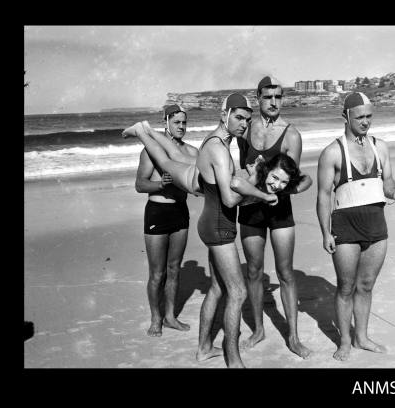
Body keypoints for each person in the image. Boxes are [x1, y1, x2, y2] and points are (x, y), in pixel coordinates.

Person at [124, 94, 281, 368]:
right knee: (238, 292)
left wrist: (252, 180)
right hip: (218, 225)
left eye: (247, 118)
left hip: (210, 214)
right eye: (239, 117)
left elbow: (228, 186)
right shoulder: (219, 149)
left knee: (218, 288)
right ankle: (233, 359)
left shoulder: (216, 142)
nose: (244, 124)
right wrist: (262, 196)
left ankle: (203, 348)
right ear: (225, 115)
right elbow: (231, 200)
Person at [316, 92, 395, 361]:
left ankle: (362, 337)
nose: (365, 121)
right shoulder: (332, 152)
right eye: (360, 117)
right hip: (345, 225)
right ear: (345, 117)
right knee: (346, 287)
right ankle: (345, 341)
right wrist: (326, 232)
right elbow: (323, 195)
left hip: (376, 224)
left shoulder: (380, 147)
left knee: (366, 284)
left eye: (369, 116)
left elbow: (388, 182)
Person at [235, 76, 313, 359]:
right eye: (268, 97)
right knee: (254, 271)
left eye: (278, 97)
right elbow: (241, 172)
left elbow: (297, 176)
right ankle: (258, 329)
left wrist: (280, 188)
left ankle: (292, 336)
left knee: (286, 273)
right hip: (251, 209)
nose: (273, 102)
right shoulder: (246, 130)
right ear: (258, 98)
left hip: (280, 210)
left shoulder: (291, 134)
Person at [134, 104, 197, 337]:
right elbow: (140, 184)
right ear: (166, 123)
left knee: (174, 269)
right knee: (157, 273)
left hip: (180, 212)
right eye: (176, 122)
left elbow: (197, 182)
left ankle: (170, 317)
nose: (181, 127)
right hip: (157, 212)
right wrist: (161, 184)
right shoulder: (150, 150)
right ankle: (156, 318)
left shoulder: (191, 152)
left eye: (184, 123)